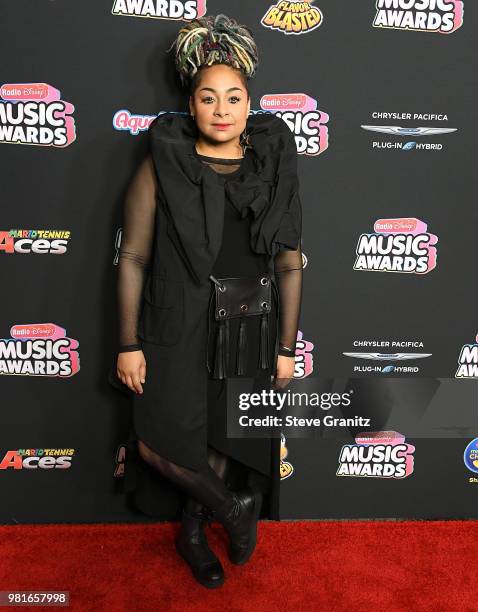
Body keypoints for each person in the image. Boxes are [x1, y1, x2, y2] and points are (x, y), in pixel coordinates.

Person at [108, 14, 303, 588]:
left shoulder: (273, 167)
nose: (222, 109)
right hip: (176, 322)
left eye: (234, 97)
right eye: (208, 97)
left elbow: (289, 261)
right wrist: (128, 342)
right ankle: (232, 509)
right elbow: (134, 257)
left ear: (249, 104)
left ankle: (194, 529)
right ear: (190, 104)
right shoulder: (160, 164)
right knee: (155, 442)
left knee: (221, 436)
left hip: (250, 324)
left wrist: (287, 347)